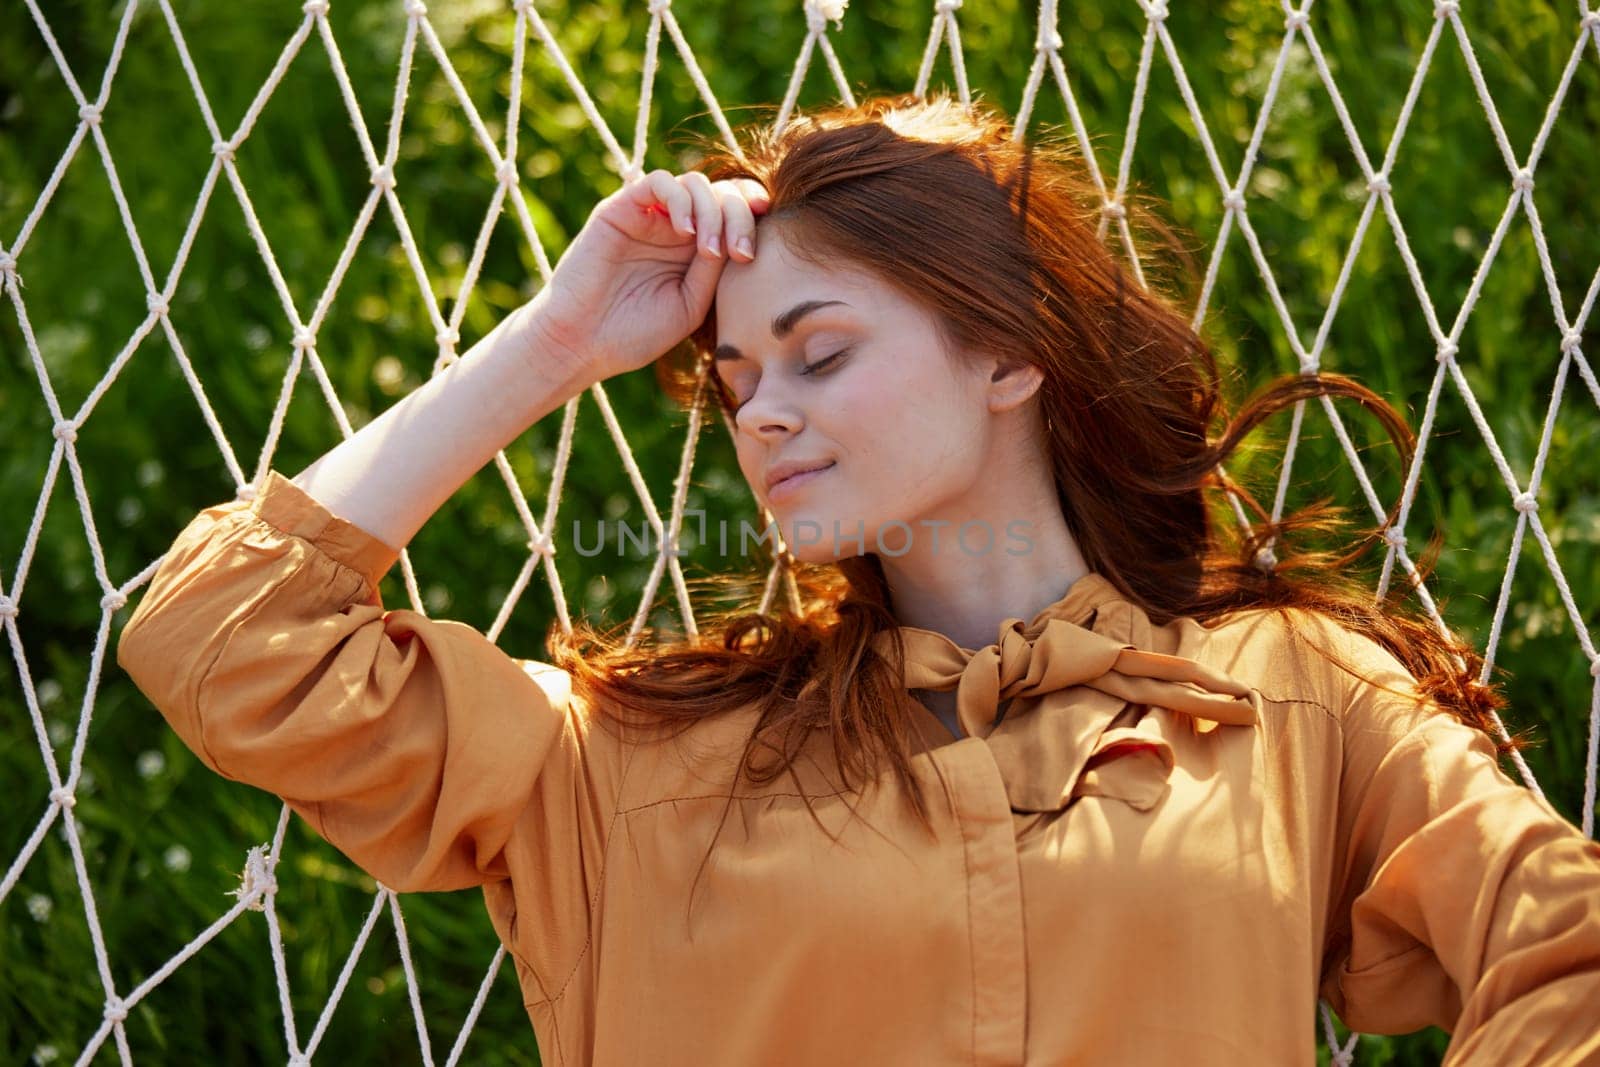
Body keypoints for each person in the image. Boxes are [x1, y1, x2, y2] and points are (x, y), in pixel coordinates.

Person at [116, 91, 1600, 1065]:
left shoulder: (1297, 699)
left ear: (1012, 354)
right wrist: (555, 344)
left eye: (821, 353)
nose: (759, 408)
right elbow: (225, 642)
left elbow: (1566, 954)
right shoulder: (623, 760)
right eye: (736, 371)